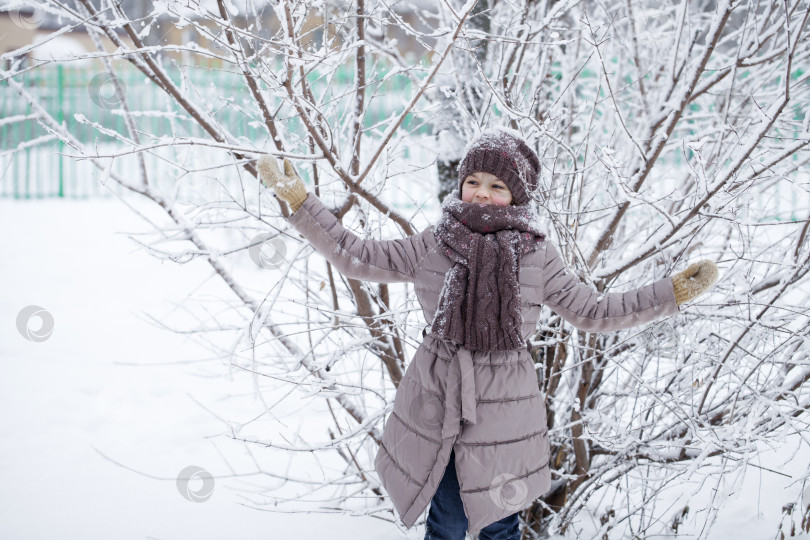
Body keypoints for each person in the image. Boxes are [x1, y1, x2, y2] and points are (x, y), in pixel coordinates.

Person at [258, 127, 718, 539]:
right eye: (473, 181)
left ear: (517, 198)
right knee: (449, 519)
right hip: (439, 398)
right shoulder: (434, 244)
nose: (481, 193)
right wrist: (300, 202)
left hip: (505, 410)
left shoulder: (537, 256)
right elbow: (355, 254)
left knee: (499, 521)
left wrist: (670, 293)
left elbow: (592, 310)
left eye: (498, 186)